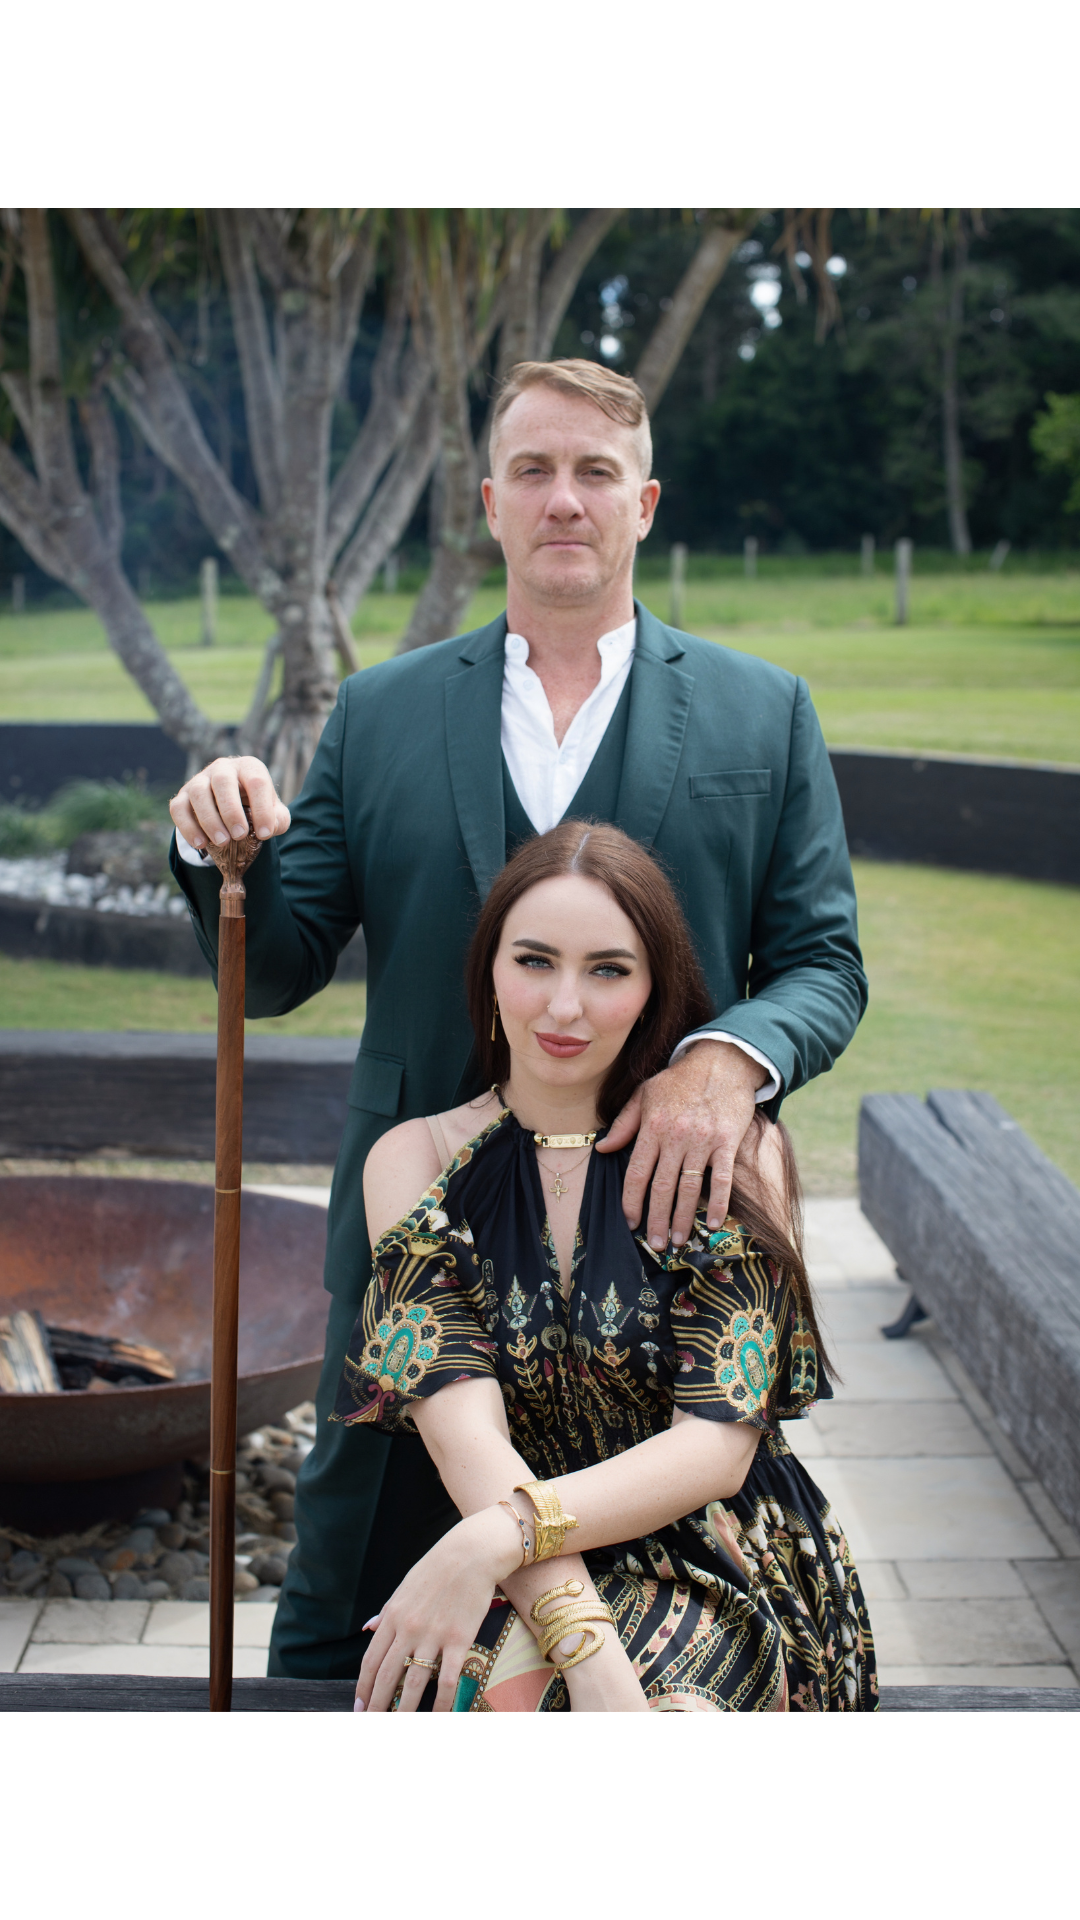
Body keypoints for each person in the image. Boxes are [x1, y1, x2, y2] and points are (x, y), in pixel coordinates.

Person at [168, 358, 868, 1680]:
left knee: (646, 1634)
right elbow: (277, 967)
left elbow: (824, 963)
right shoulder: (379, 711)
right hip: (416, 1245)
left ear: (643, 503)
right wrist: (221, 854)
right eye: (533, 470)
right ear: (489, 503)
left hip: (660, 1264)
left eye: (597, 472)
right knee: (346, 1637)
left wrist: (727, 1063)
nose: (564, 499)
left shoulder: (760, 711)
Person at [342, 821, 876, 1712]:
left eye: (608, 970)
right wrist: (586, 1648)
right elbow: (466, 1437)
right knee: (491, 1692)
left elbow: (715, 1450)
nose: (564, 1007)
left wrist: (495, 1538)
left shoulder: (735, 1151)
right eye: (535, 961)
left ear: (653, 986)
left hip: (724, 1558)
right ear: (489, 969)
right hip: (528, 1560)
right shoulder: (415, 1162)